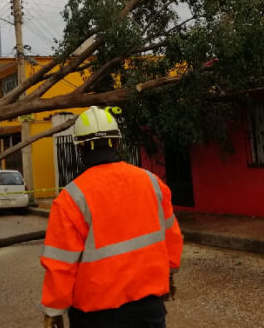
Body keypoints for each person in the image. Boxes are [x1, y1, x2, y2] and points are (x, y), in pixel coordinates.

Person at [40, 106, 183, 328]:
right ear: (117, 143)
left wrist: (54, 311)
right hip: (148, 310)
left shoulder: (71, 199)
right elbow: (171, 237)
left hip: (97, 317)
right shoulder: (153, 183)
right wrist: (170, 274)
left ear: (80, 149)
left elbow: (61, 264)